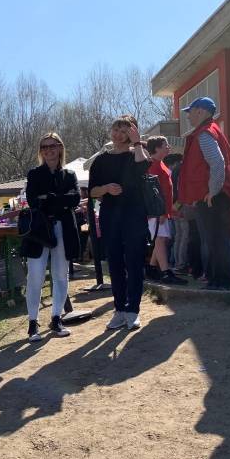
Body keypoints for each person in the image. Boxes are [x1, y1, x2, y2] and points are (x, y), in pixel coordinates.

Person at [89, 116, 151, 330]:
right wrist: (106, 188)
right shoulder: (101, 160)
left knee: (134, 263)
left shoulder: (137, 153)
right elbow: (92, 191)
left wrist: (137, 142)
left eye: (124, 131)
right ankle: (119, 309)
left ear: (132, 133)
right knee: (114, 264)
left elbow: (144, 167)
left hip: (134, 215)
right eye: (116, 129)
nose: (118, 134)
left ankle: (133, 310)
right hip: (110, 216)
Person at [178, 97, 230, 291]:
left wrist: (212, 192)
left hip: (214, 196)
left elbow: (217, 163)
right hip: (215, 194)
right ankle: (217, 280)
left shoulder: (205, 133)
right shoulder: (210, 131)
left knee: (216, 239)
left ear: (201, 111)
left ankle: (222, 282)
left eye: (190, 111)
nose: (188, 116)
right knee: (215, 239)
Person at [22, 132, 80, 340]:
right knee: (35, 276)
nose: (48, 150)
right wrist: (60, 200)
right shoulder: (35, 174)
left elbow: (75, 199)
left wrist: (50, 199)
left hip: (63, 228)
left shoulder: (70, 175)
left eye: (52, 146)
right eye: (44, 147)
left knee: (60, 274)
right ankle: (32, 322)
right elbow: (33, 201)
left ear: (60, 147)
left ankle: (56, 317)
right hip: (40, 230)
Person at [145, 136, 186, 285]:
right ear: (156, 148)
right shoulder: (152, 165)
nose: (168, 147)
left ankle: (151, 269)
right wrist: (161, 212)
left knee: (160, 240)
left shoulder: (159, 164)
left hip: (162, 210)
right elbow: (153, 192)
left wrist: (169, 210)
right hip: (157, 211)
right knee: (160, 239)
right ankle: (165, 272)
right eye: (165, 145)